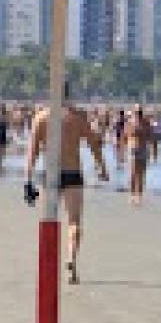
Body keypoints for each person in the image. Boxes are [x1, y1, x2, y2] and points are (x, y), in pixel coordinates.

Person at [25, 98, 109, 284]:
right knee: (74, 221)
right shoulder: (78, 117)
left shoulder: (41, 117)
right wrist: (102, 166)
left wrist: (27, 178)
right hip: (72, 172)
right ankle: (71, 259)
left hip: (50, 173)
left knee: (48, 220)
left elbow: (32, 150)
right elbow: (94, 143)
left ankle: (48, 265)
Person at [126, 103, 152, 206]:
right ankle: (132, 195)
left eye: (140, 111)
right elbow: (125, 135)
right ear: (133, 112)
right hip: (133, 149)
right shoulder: (130, 122)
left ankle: (139, 196)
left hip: (143, 149)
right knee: (133, 173)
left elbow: (150, 136)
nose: (138, 113)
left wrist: (152, 150)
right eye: (136, 111)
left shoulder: (146, 123)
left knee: (141, 174)